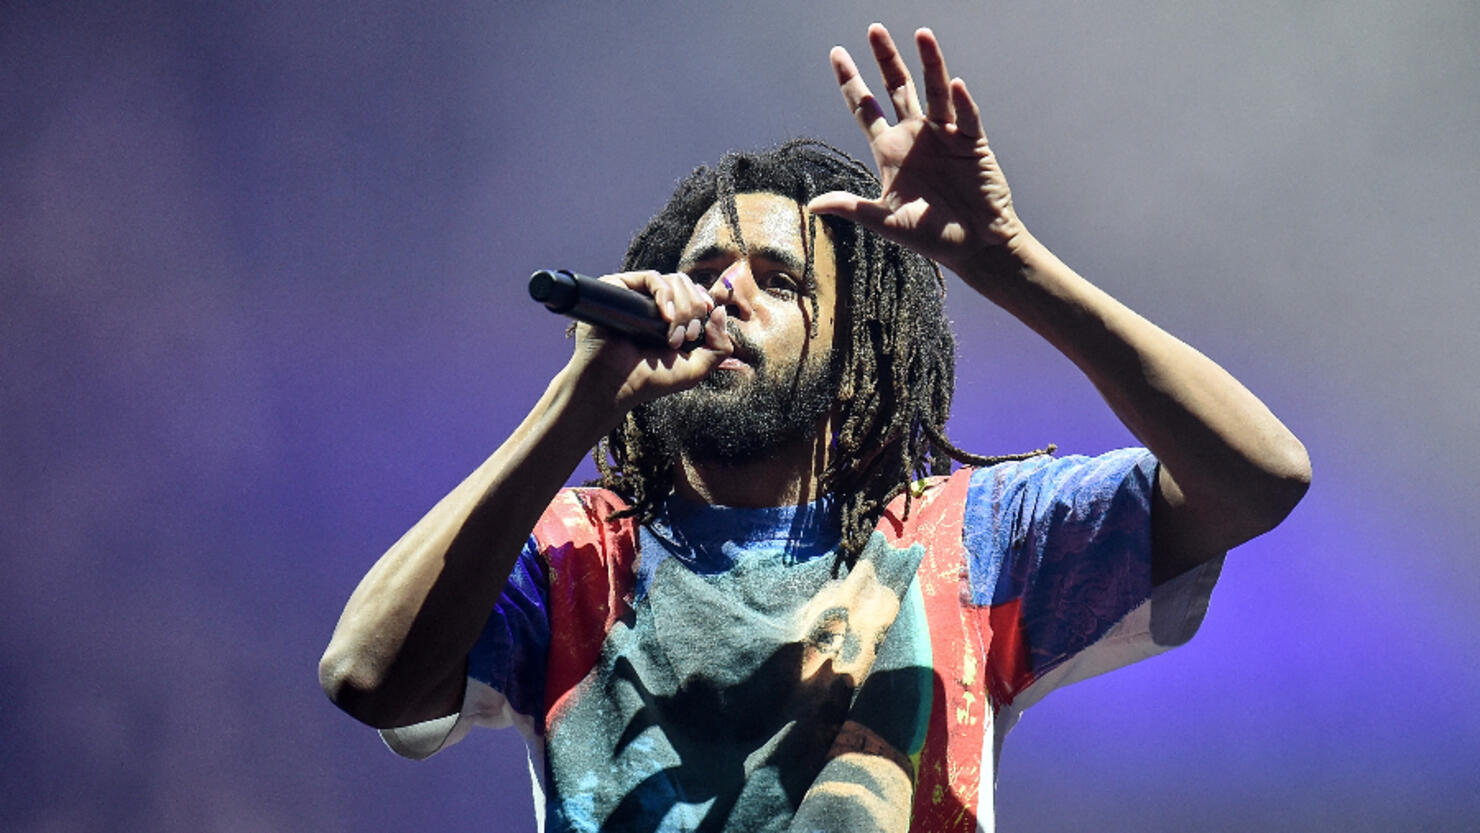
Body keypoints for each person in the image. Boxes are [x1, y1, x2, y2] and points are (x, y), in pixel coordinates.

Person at [319, 23, 1310, 833]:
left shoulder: (964, 539)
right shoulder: (576, 552)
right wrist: (576, 399)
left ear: (855, 349)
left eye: (779, 279)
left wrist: (1008, 261)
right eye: (704, 273)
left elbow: (1259, 476)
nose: (727, 294)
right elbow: (366, 675)